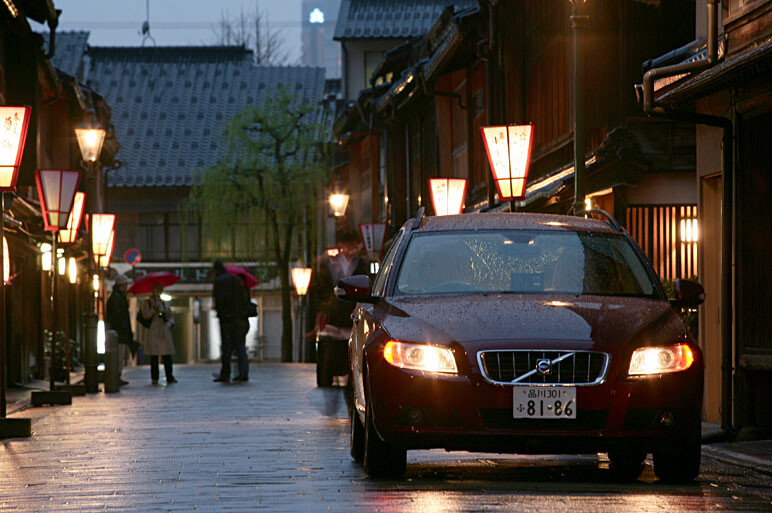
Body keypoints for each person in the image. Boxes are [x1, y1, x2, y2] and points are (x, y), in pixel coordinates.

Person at [308, 228, 369, 386]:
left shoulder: (362, 263)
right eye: (347, 245)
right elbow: (320, 289)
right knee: (330, 349)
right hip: (332, 312)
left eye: (353, 246)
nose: (349, 249)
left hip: (352, 311)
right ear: (341, 245)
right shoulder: (328, 263)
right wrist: (320, 311)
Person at [212, 260, 250, 383]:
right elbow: (241, 299)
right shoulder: (234, 279)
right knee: (240, 347)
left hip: (226, 319)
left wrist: (220, 313)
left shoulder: (218, 281)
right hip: (237, 318)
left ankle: (225, 373)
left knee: (227, 348)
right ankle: (243, 373)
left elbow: (218, 300)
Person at [140, 283, 177, 385]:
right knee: (154, 356)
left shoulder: (165, 302)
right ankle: (154, 378)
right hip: (154, 331)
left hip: (164, 330)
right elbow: (145, 316)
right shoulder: (147, 302)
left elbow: (170, 315)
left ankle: (169, 376)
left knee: (167, 355)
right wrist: (153, 309)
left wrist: (170, 323)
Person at [106, 274, 134, 386]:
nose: (126, 286)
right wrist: (123, 328)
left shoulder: (117, 297)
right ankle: (115, 376)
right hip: (119, 333)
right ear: (122, 285)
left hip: (119, 332)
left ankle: (117, 376)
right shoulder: (117, 298)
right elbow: (117, 316)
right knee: (119, 355)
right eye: (125, 284)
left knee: (120, 355)